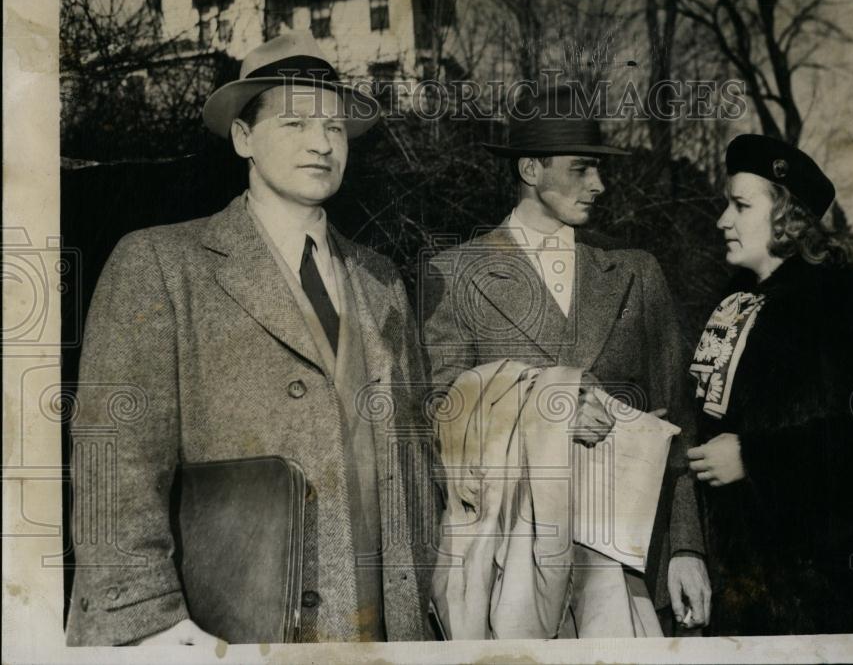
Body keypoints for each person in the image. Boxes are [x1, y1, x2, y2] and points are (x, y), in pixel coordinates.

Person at [66, 32, 433, 645]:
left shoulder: (381, 280)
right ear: (243, 139)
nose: (322, 143)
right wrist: (150, 623)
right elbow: (114, 460)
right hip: (228, 627)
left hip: (383, 625)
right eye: (294, 123)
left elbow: (415, 456)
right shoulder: (160, 263)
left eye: (336, 129)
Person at [421, 85, 710, 636]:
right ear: (531, 168)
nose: (599, 185)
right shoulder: (454, 275)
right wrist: (548, 415)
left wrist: (686, 548)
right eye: (581, 169)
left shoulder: (636, 271)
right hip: (509, 571)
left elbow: (678, 424)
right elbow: (442, 420)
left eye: (600, 169)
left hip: (626, 565)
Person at [687, 133, 853, 635]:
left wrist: (758, 459)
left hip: (846, 608)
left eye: (739, 205)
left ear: (789, 216)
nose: (722, 221)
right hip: (747, 612)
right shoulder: (733, 309)